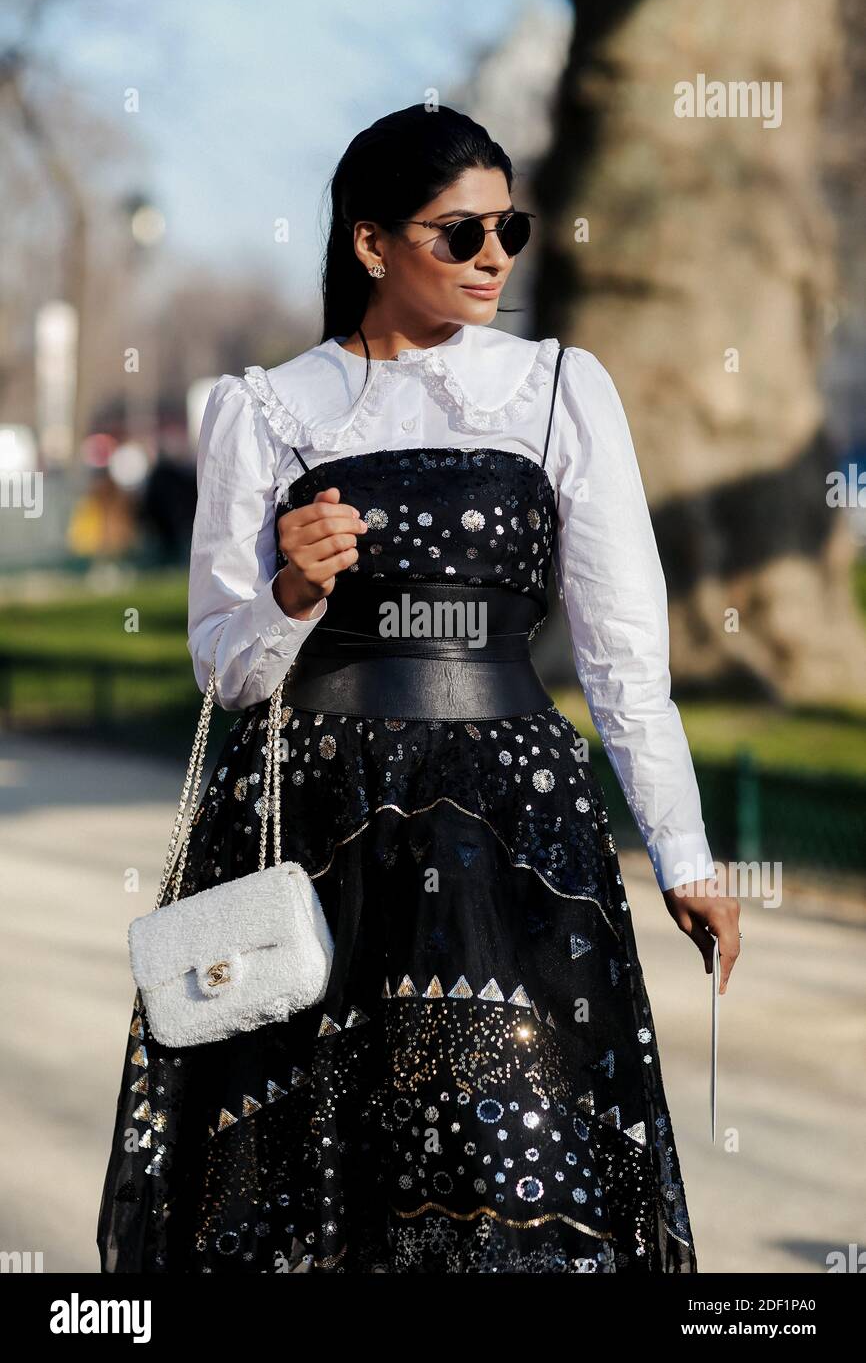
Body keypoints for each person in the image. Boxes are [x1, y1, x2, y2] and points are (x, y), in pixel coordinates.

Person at [97, 103, 740, 1274]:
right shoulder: (264, 410)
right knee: (310, 1190)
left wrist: (685, 855)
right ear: (369, 243)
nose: (494, 256)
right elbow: (225, 671)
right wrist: (290, 592)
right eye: (460, 233)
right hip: (312, 836)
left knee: (514, 1174)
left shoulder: (559, 390)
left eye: (511, 228)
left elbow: (621, 657)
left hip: (514, 839)